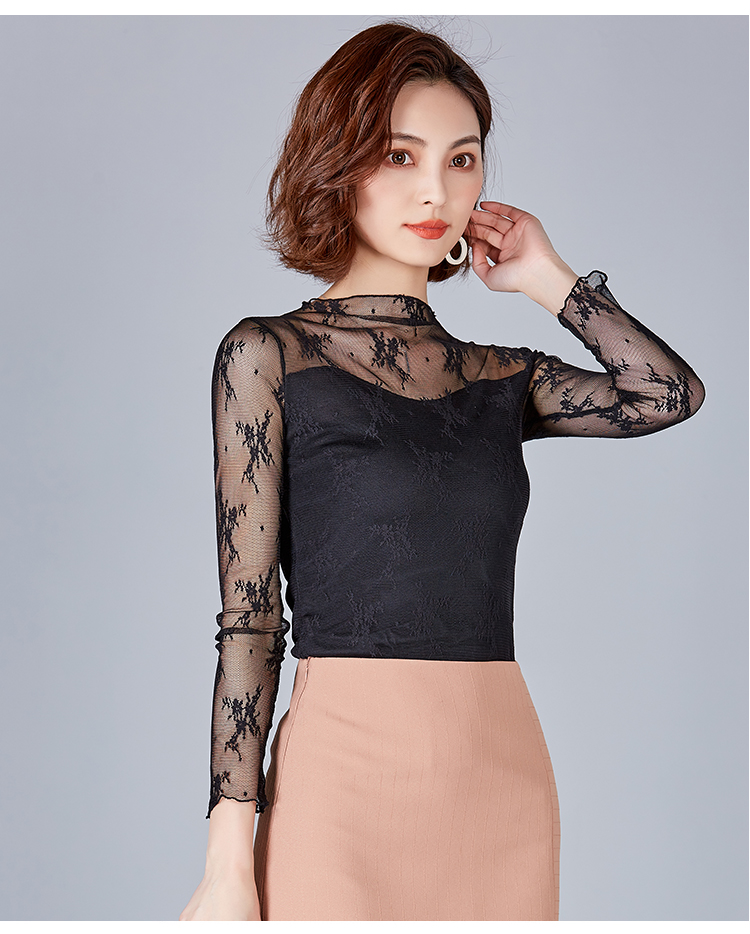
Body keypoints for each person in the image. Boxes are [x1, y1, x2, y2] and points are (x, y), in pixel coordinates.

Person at [180, 22, 704, 922]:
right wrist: (229, 858)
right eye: (399, 155)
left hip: (498, 778)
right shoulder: (268, 356)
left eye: (462, 160)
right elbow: (250, 619)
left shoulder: (502, 379)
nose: (437, 190)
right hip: (340, 785)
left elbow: (667, 394)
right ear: (336, 162)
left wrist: (548, 278)